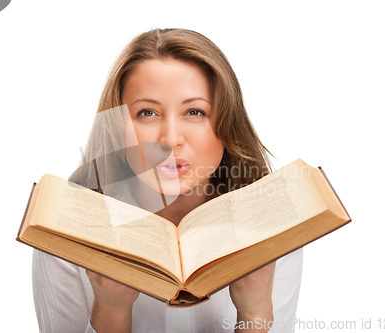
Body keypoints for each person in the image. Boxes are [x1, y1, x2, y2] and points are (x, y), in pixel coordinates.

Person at [32, 28, 302, 333]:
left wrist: (255, 315)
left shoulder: (270, 227)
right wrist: (111, 311)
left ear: (227, 124)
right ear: (119, 127)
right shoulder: (66, 228)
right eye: (147, 112)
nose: (171, 139)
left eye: (195, 112)